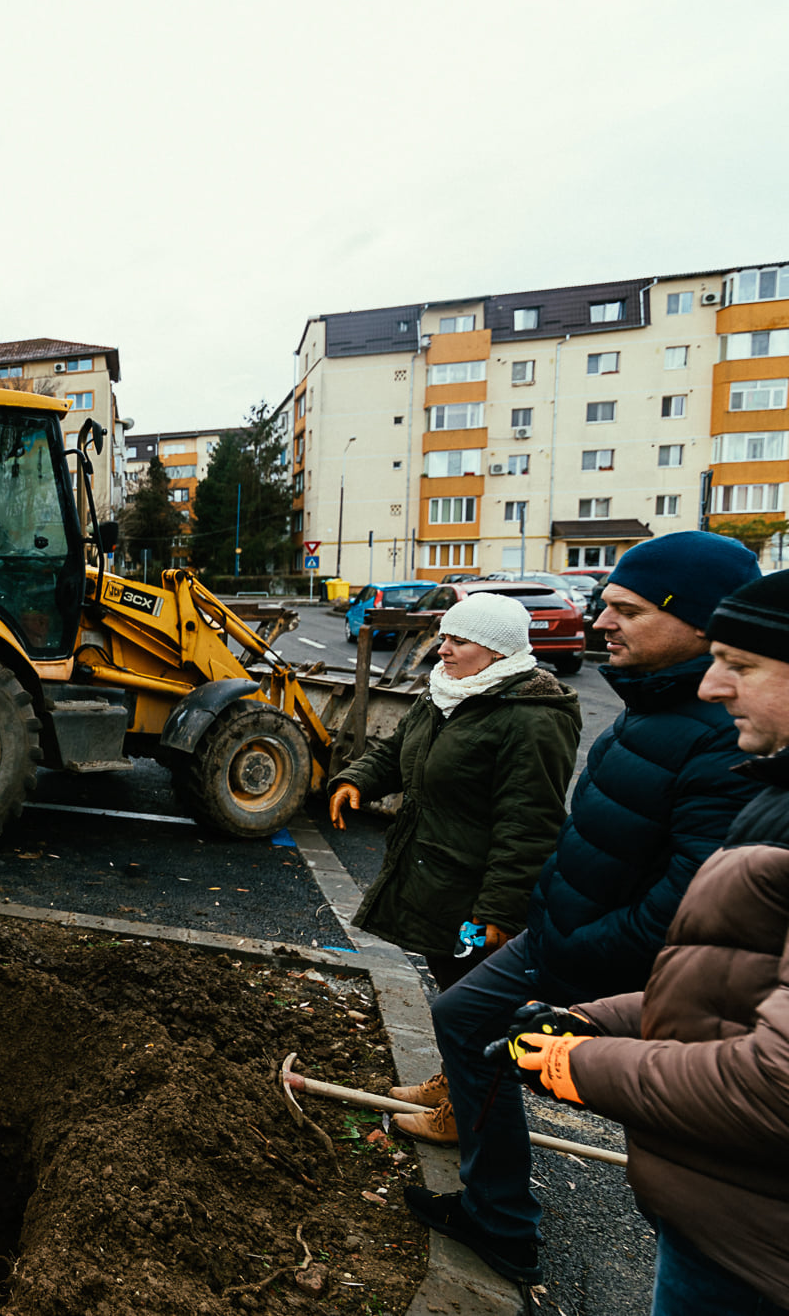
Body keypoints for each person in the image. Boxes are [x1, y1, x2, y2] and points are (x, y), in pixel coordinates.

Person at [392, 535, 761, 1288]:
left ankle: (507, 1224)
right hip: (559, 932)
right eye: (604, 606)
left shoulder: (716, 736)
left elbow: (688, 901)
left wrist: (579, 948)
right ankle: (497, 1213)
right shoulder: (652, 700)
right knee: (466, 1020)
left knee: (500, 1041)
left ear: (694, 621)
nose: (601, 624)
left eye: (625, 610)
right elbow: (593, 832)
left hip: (594, 956)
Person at [490, 566, 789, 1315]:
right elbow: (735, 981)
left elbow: (774, 1083)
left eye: (742, 666)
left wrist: (580, 1063)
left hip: (755, 1252)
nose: (714, 687)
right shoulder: (776, 792)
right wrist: (600, 1018)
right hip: (724, 1216)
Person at [328, 593, 582, 988]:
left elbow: (529, 823)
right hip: (436, 879)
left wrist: (500, 909)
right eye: (444, 637)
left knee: (475, 1003)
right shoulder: (447, 690)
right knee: (450, 986)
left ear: (497, 652)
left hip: (475, 894)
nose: (442, 650)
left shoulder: (533, 718)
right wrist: (356, 779)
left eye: (458, 642)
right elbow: (399, 749)